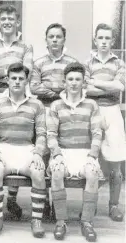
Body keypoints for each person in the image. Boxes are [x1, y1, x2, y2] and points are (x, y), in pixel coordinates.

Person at [0, 4, 33, 218]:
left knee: (17, 140)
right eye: (3, 19)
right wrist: (11, 71)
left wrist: (2, 71)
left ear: (17, 22)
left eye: (11, 18)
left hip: (19, 96)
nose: (7, 22)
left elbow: (26, 73)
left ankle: (11, 198)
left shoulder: (26, 46)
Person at [0, 63, 46, 238]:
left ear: (27, 81)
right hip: (4, 149)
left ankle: (36, 220)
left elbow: (42, 134)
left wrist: (37, 153)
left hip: (26, 149)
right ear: (7, 80)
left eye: (21, 79)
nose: (17, 82)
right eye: (13, 78)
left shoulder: (37, 105)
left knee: (38, 172)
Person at [47, 62, 103, 241]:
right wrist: (57, 154)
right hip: (63, 152)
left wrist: (92, 155)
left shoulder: (92, 105)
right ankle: (60, 221)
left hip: (85, 152)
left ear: (83, 82)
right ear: (64, 82)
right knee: (56, 172)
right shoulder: (56, 106)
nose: (73, 83)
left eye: (77, 79)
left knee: (93, 173)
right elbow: (51, 134)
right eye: (70, 79)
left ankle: (86, 221)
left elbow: (96, 132)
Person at [30, 23, 78, 219]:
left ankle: (55, 198)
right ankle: (44, 202)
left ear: (64, 40)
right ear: (46, 40)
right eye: (51, 37)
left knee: (57, 151)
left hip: (64, 112)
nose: (55, 40)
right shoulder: (39, 63)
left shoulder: (72, 63)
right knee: (43, 153)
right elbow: (34, 87)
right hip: (44, 110)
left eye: (59, 37)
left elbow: (76, 86)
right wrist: (58, 93)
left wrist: (56, 94)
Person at [85, 23, 125, 222]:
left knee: (115, 162)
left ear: (112, 41)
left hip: (113, 111)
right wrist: (105, 87)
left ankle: (114, 206)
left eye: (107, 38)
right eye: (100, 38)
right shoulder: (87, 63)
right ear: (95, 39)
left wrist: (96, 83)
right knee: (92, 160)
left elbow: (119, 87)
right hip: (93, 110)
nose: (103, 42)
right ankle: (90, 205)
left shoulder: (119, 63)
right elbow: (84, 90)